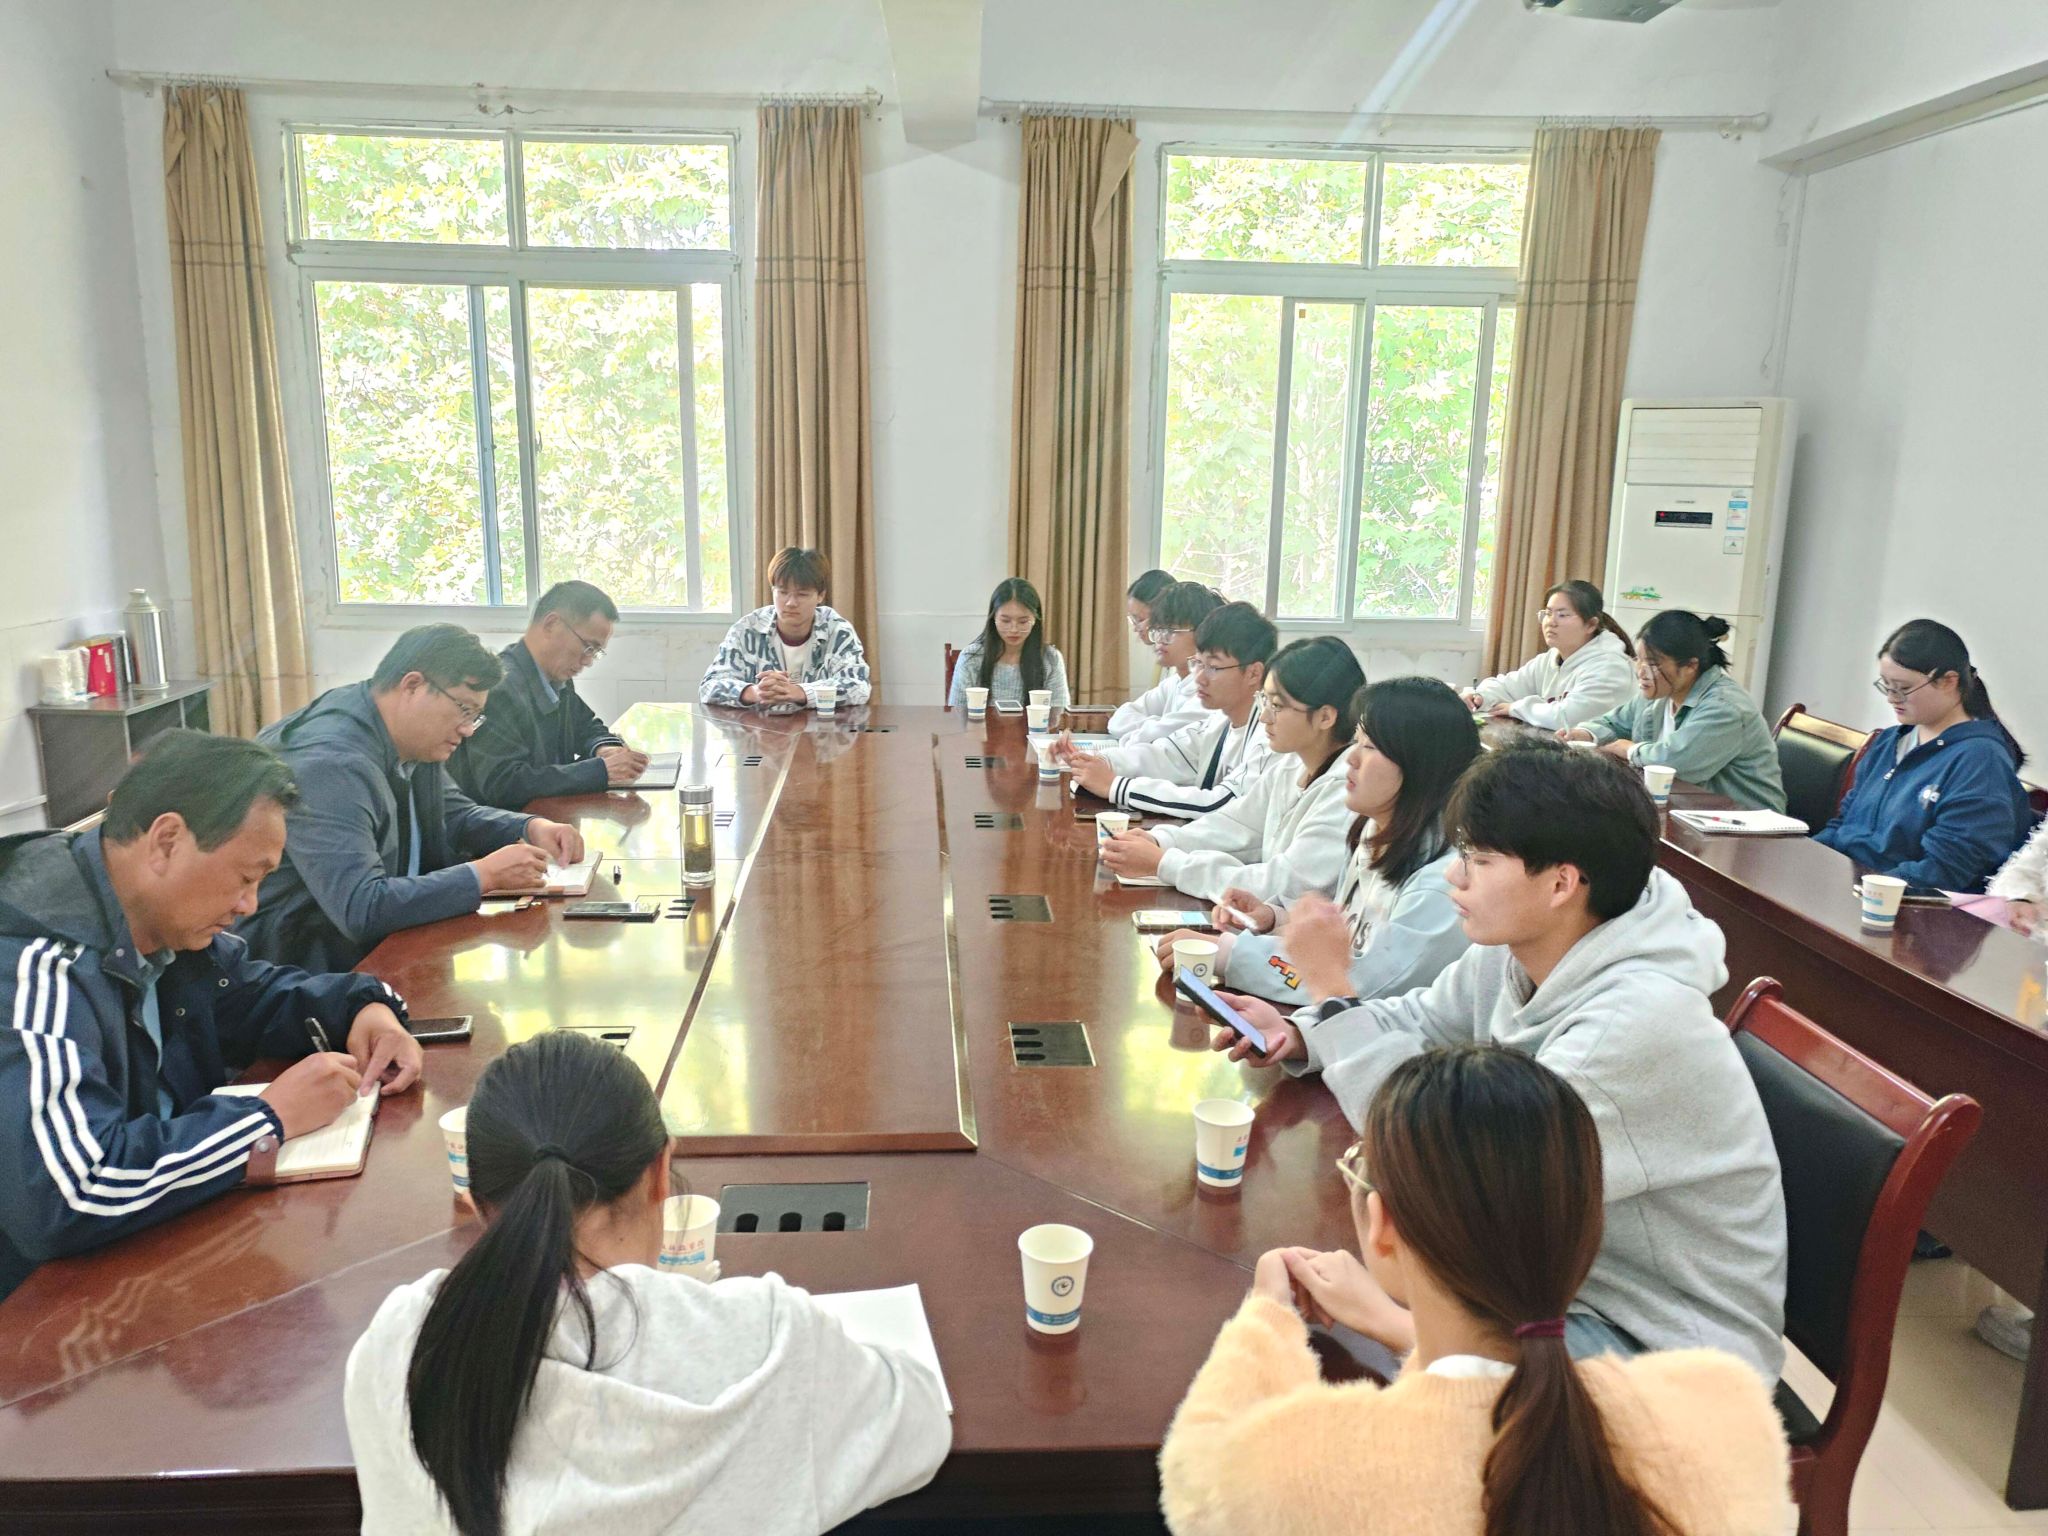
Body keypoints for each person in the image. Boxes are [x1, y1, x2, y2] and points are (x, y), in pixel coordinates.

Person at [1214, 742, 1788, 1377]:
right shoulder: (1529, 944)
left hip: (1660, 1344)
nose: (1454, 878)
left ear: (1561, 883)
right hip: (1536, 1280)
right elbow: (1423, 1019)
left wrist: (1330, 988)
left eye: (1480, 860)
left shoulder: (1630, 1028)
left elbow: (1441, 1168)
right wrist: (1304, 1030)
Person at [1159, 1045, 1792, 1536]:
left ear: (1382, 1225)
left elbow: (1196, 1476)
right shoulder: (1726, 1408)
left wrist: (1266, 1320)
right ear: (1586, 1228)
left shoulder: (1296, 1471)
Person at [345, 1030, 950, 1535]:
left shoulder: (400, 1344)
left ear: (479, 1205)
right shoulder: (767, 1340)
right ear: (662, 1170)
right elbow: (921, 1423)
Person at [0, 731, 421, 1302]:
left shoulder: (162, 925)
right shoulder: (35, 966)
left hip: (150, 1248)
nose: (249, 905)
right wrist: (265, 1120)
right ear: (167, 841)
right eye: (246, 877)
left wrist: (364, 1007)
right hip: (45, 1309)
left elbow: (255, 995)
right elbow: (67, 1193)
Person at [239, 626, 586, 972]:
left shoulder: (407, 734)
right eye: (463, 709)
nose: (467, 729)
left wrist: (530, 827)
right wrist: (483, 875)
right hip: (307, 968)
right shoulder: (332, 763)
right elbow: (362, 907)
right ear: (412, 685)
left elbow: (452, 813)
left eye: (475, 716)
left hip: (382, 945)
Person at [1161, 677, 1477, 1005]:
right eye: (1356, 742)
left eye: (1369, 747)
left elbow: (1364, 985)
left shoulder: (1442, 885)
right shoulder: (1375, 832)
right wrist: (1276, 919)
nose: (1352, 759)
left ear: (1420, 764)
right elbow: (1350, 939)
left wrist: (1231, 954)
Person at [1100, 637, 1363, 903]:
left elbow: (1283, 884)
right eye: (1264, 701)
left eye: (1277, 706)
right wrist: (1161, 841)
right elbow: (1235, 825)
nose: (1264, 717)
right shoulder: (1292, 764)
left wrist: (1166, 863)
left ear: (1325, 717)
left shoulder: (1347, 791)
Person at [1816, 619, 2031, 892]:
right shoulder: (1888, 742)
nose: (1892, 697)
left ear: (1948, 681)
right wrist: (1808, 858)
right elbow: (1843, 826)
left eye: (1903, 688)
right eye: (1887, 685)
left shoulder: (1980, 760)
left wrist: (1866, 890)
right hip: (1852, 885)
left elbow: (1947, 869)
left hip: (1902, 902)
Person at [1056, 602, 1276, 820]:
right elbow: (1165, 755)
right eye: (1198, 664)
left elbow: (1220, 805)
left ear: (1254, 673)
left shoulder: (1269, 737)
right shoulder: (1220, 721)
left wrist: (1115, 786)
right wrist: (1098, 762)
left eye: (1213, 667)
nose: (1199, 678)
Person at [451, 581, 651, 810]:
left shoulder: (556, 678)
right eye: (588, 647)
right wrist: (598, 772)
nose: (588, 661)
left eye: (596, 652)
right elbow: (503, 783)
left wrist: (604, 748)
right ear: (552, 624)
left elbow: (586, 725)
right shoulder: (499, 689)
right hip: (510, 827)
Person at [1564, 610, 1786, 812]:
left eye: (1652, 663)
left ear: (1690, 666)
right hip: (1690, 812)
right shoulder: (1659, 694)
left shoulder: (1725, 707)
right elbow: (1614, 723)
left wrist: (1630, 750)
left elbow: (1675, 762)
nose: (1641, 671)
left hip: (1749, 823)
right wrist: (1586, 734)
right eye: (1638, 659)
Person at [700, 547, 872, 713]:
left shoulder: (837, 630)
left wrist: (799, 692)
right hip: (759, 728)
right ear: (773, 591)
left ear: (820, 595)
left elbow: (858, 685)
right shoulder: (747, 629)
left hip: (821, 729)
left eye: (802, 594)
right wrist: (755, 692)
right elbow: (709, 686)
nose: (791, 603)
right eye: (782, 592)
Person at [1462, 580, 1637, 730]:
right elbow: (1509, 687)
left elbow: (1567, 717)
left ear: (1591, 624)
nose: (1551, 622)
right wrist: (1480, 697)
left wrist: (1515, 708)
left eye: (1562, 615)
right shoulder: (1551, 658)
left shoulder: (1610, 666)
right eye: (1548, 613)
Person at [1107, 581, 1221, 744]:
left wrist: (1152, 728)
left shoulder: (1208, 693)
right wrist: (1157, 723)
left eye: (1170, 631)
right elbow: (1119, 719)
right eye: (1158, 630)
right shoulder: (1174, 683)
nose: (1160, 639)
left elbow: (1152, 741)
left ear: (1203, 633)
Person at [947, 577, 1070, 711]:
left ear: (1035, 619)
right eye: (1005, 621)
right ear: (993, 618)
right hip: (978, 725)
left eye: (1023, 621)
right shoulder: (971, 657)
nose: (1014, 629)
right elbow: (956, 714)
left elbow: (1059, 714)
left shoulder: (1051, 659)